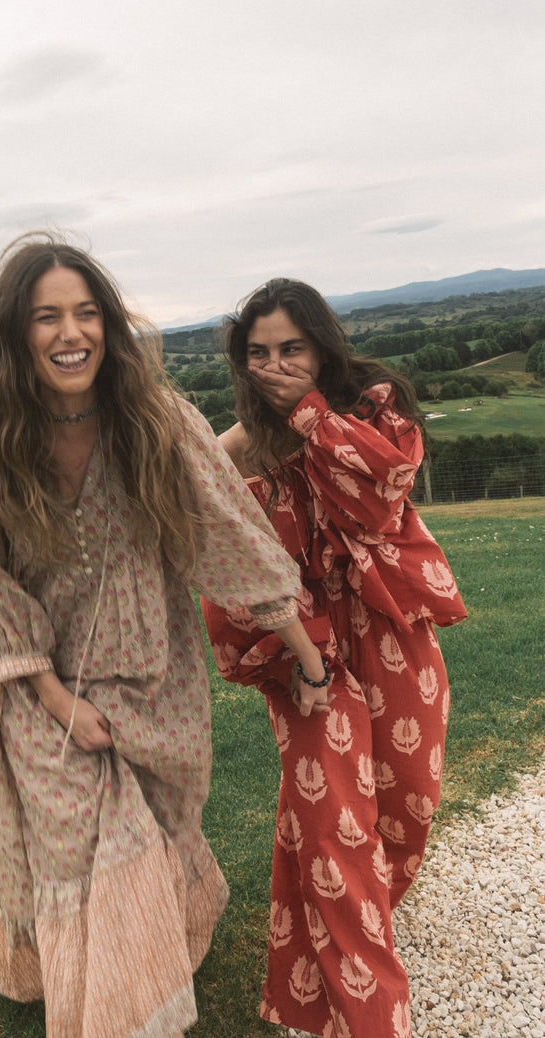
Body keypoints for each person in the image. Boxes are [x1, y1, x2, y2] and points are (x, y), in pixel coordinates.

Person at [0, 236, 336, 1038]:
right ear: (14, 333)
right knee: (86, 842)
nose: (70, 332)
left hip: (154, 673)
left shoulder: (155, 422)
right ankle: (118, 1011)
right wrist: (56, 699)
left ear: (108, 324)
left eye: (86, 312)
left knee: (157, 825)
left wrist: (308, 657)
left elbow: (229, 533)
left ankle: (149, 958)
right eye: (46, 316)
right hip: (33, 687)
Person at [201, 277, 467, 1038]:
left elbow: (377, 502)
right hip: (304, 646)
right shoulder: (245, 443)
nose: (275, 366)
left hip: (390, 628)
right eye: (258, 354)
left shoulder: (376, 411)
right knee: (332, 825)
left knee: (407, 802)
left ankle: (354, 932)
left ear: (322, 348)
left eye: (291, 348)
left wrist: (311, 415)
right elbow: (202, 512)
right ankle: (371, 1014)